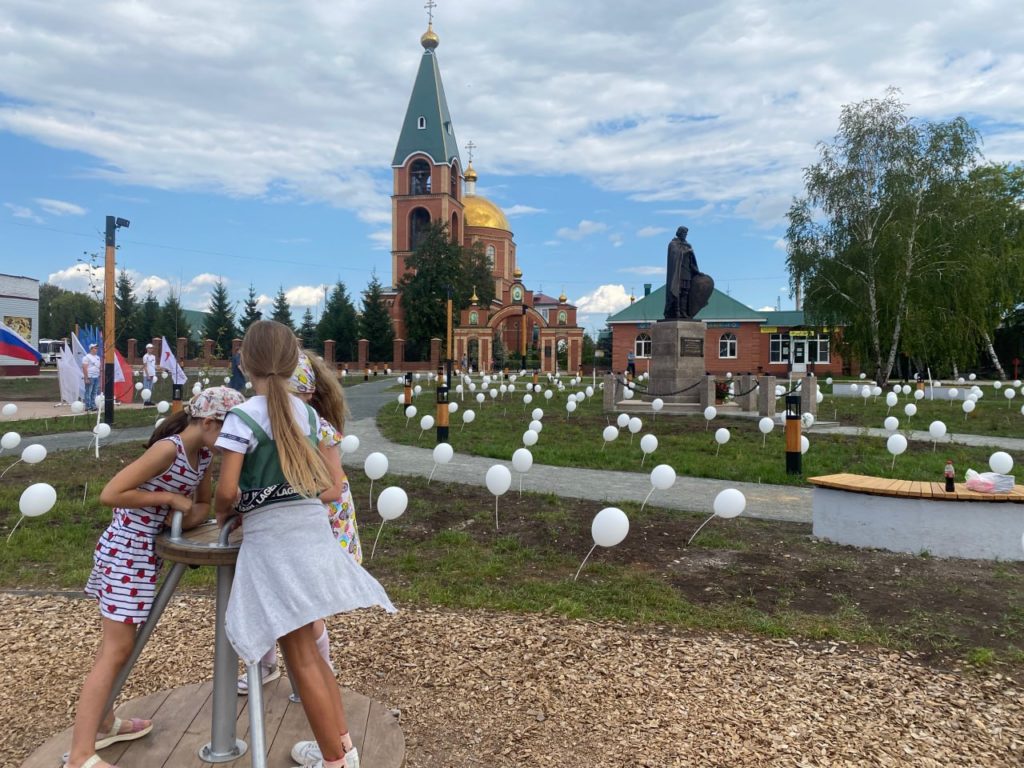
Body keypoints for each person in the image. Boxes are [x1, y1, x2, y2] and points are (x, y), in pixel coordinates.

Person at [215, 320, 395, 768]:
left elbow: (225, 490)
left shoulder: (241, 418)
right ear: (295, 362)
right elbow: (326, 484)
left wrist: (228, 514)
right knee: (311, 656)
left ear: (242, 362)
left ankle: (335, 761)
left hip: (274, 546)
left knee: (300, 657)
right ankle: (341, 747)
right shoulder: (309, 416)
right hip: (312, 534)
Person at [63, 386, 244, 768]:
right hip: (126, 551)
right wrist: (166, 500)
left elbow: (200, 507)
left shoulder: (205, 456)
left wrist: (183, 513)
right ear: (210, 422)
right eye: (230, 431)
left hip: (146, 553)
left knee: (121, 648)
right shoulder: (169, 450)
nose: (233, 443)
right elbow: (111, 493)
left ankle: (107, 723)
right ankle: (80, 754)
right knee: (114, 651)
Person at [236, 351, 361, 695]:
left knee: (306, 608)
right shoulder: (271, 426)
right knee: (266, 590)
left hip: (316, 526)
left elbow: (333, 488)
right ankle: (266, 664)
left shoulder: (314, 428)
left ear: (306, 396)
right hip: (285, 525)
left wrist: (278, 495)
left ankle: (320, 675)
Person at [664, 226, 699, 320]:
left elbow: (692, 261)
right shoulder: (673, 244)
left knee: (685, 292)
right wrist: (687, 252)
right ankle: (677, 312)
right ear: (679, 233)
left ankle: (684, 312)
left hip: (687, 272)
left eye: (686, 234)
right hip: (677, 273)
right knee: (677, 292)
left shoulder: (687, 245)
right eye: (683, 233)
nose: (685, 235)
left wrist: (696, 272)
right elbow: (675, 254)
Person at [83, 343, 102, 411]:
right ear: (91, 349)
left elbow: (99, 367)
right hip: (90, 376)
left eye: (96, 348)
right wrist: (86, 377)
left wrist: (99, 374)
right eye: (94, 348)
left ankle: (93, 405)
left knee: (94, 392)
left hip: (96, 376)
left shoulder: (98, 357)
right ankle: (87, 406)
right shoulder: (86, 357)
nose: (96, 349)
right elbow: (84, 368)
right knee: (88, 391)